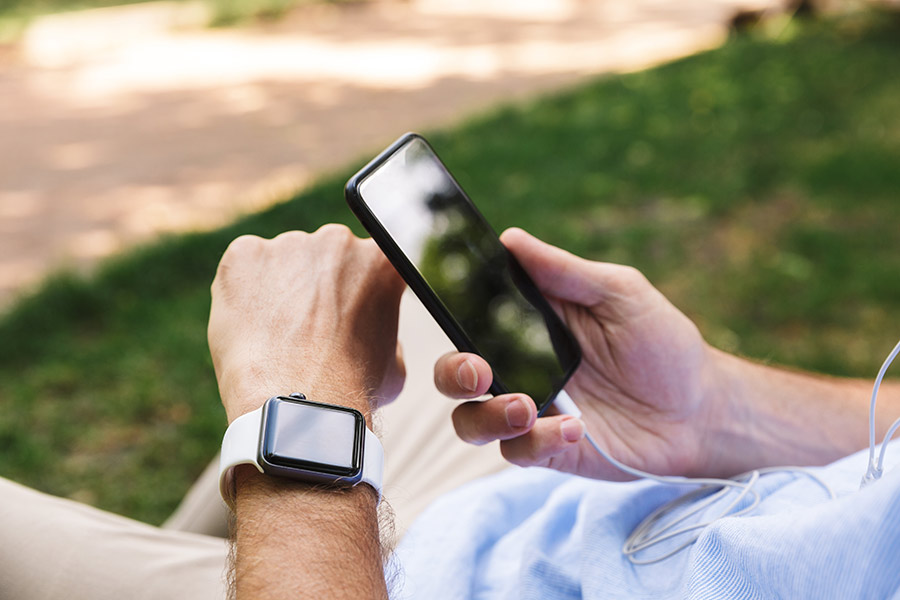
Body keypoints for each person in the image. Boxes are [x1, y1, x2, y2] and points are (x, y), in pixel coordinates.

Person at [3, 224, 900, 599]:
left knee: (299, 334)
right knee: (400, 322)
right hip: (524, 510)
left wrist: (305, 421)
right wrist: (714, 409)